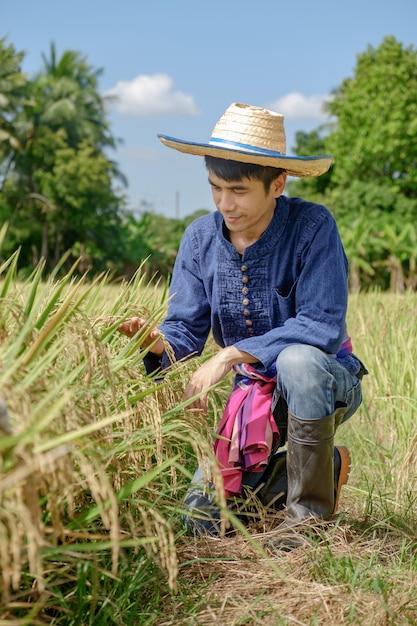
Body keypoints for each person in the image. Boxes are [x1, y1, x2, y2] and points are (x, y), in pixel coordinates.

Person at [118, 102, 367, 550]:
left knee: (297, 358)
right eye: (215, 188)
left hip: (323, 384)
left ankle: (307, 521)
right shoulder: (199, 239)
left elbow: (322, 325)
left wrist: (231, 353)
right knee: (200, 523)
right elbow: (185, 335)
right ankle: (321, 468)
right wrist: (154, 344)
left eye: (238, 190)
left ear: (277, 184)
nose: (224, 203)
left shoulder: (313, 226)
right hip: (251, 403)